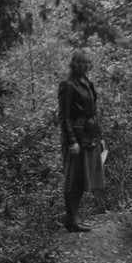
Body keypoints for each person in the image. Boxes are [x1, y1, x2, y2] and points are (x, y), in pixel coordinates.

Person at [58, 49, 105, 233]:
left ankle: (74, 218)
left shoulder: (86, 81)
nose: (87, 66)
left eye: (88, 63)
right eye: (84, 63)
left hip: (90, 134)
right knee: (73, 178)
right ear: (76, 64)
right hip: (76, 137)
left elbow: (92, 112)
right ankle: (72, 219)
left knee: (81, 178)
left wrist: (100, 137)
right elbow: (64, 116)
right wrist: (71, 141)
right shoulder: (68, 84)